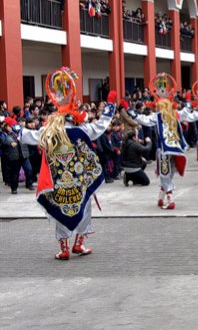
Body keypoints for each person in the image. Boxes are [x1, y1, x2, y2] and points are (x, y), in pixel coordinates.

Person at [17, 68, 117, 259]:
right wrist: (110, 106)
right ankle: (79, 244)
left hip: (60, 181)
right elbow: (101, 125)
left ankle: (64, 249)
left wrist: (11, 125)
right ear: (74, 118)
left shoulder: (49, 132)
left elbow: (28, 135)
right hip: (79, 180)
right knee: (84, 206)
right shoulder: (83, 131)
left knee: (60, 208)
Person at [134, 73, 188, 210]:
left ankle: (169, 198)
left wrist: (132, 113)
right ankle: (161, 197)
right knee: (167, 173)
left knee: (165, 174)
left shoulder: (158, 116)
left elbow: (144, 121)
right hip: (174, 148)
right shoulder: (175, 114)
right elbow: (188, 116)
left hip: (163, 149)